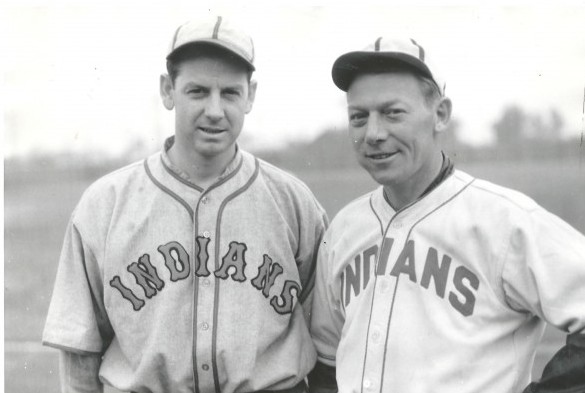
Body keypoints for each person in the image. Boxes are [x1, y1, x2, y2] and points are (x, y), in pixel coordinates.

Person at [43, 15, 328, 393]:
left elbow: (328, 339)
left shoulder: (293, 202)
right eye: (197, 91)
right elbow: (80, 352)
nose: (214, 110)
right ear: (167, 91)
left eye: (229, 92)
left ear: (251, 96)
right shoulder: (104, 204)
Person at [308, 36, 585, 393]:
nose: (373, 133)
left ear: (440, 114)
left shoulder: (505, 220)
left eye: (393, 112)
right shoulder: (343, 228)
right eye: (359, 117)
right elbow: (328, 364)